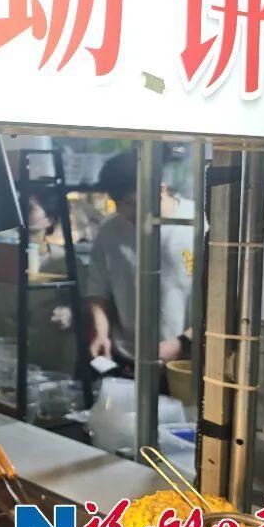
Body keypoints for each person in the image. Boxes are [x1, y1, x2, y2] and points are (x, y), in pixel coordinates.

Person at [85, 150, 193, 366]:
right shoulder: (110, 231)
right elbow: (98, 292)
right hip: (126, 359)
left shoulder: (198, 225)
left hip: (183, 362)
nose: (124, 212)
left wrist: (182, 343)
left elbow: (218, 305)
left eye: (131, 203)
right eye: (117, 203)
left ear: (160, 190)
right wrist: (102, 333)